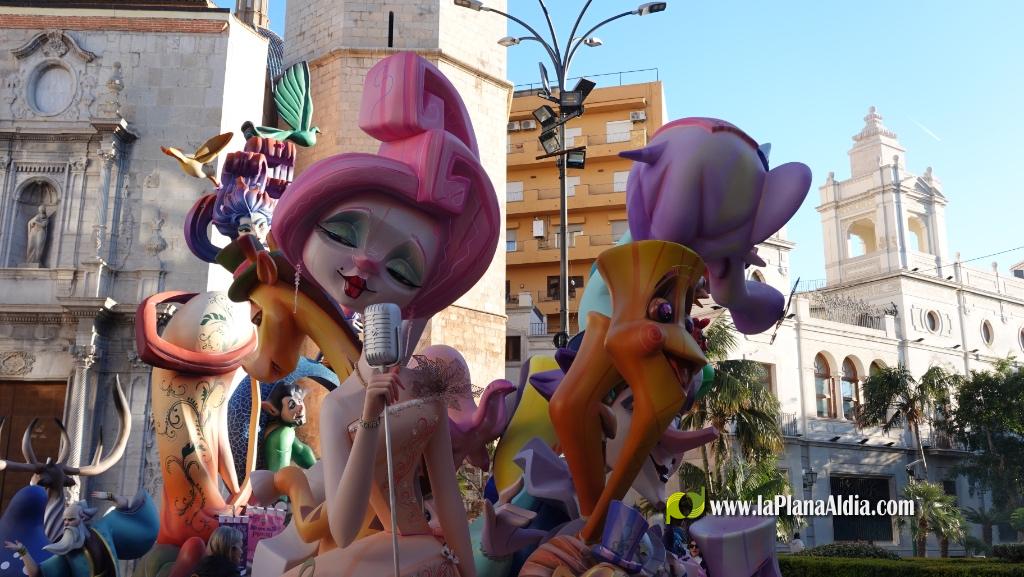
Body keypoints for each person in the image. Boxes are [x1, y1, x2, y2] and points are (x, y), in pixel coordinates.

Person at [268, 51, 499, 577]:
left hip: (425, 557)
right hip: (378, 553)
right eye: (345, 234)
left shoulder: (428, 387)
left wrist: (465, 570)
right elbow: (345, 528)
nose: (366, 263)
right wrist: (370, 410)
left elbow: (447, 499)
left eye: (402, 265)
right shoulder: (336, 409)